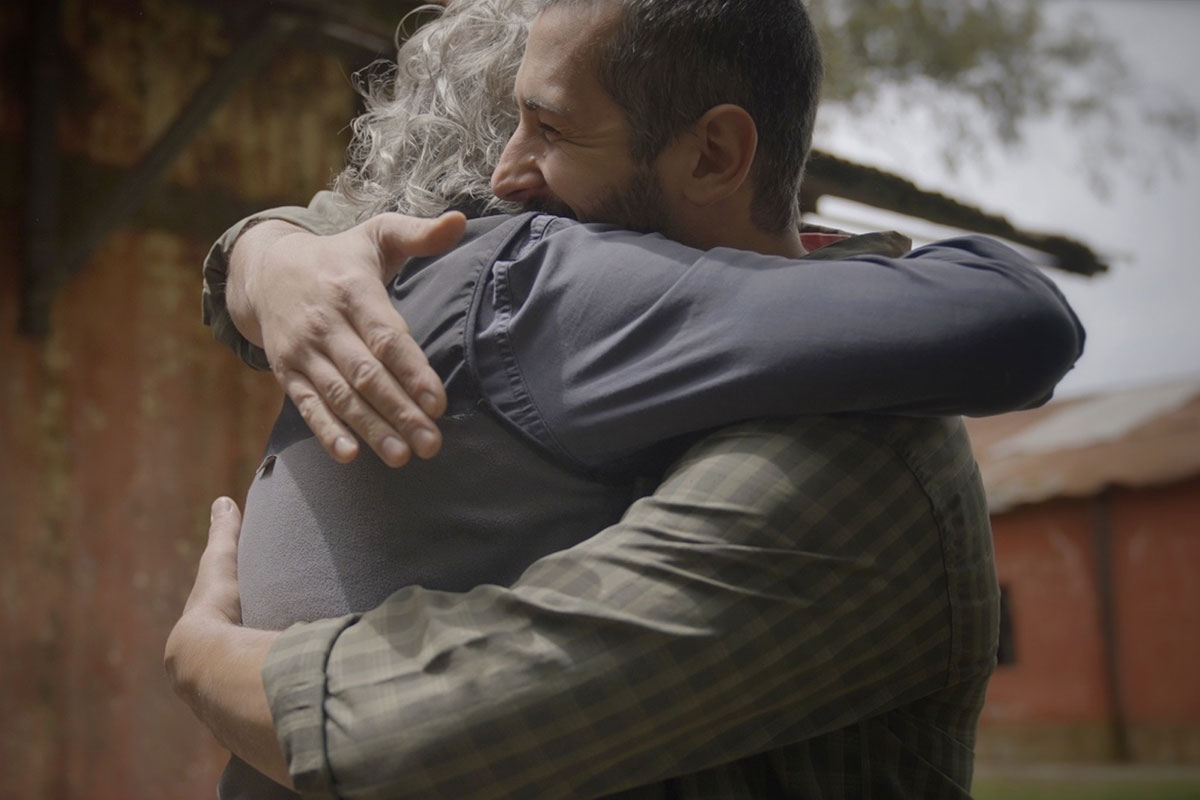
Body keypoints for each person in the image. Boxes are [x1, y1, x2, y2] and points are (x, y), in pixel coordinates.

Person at [168, 0, 1083, 797]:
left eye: (550, 130)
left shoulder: (850, 447)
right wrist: (271, 253)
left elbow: (422, 731)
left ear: (715, 153)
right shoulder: (510, 270)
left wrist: (207, 659)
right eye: (507, 128)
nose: (501, 181)